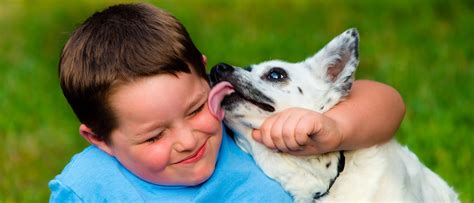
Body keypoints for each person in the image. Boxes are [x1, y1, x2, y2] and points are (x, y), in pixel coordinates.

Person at [49, 3, 405, 202]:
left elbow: (387, 103)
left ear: (205, 77)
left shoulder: (237, 130)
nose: (188, 140)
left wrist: (337, 129)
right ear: (100, 139)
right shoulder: (88, 188)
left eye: (195, 109)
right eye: (154, 136)